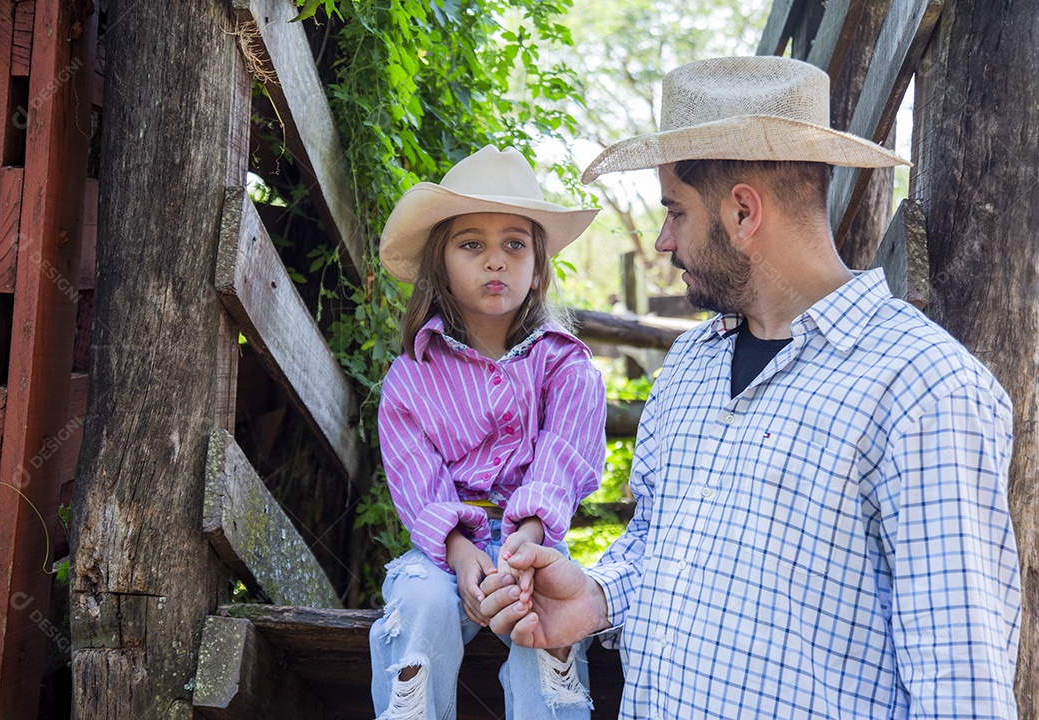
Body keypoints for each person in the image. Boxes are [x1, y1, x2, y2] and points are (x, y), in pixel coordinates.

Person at [482, 56, 1021, 719]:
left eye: (675, 212)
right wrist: (595, 594)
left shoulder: (923, 389)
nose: (661, 240)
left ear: (742, 211)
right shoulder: (689, 366)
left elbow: (960, 691)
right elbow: (658, 540)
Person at [370, 144, 606, 719]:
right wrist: (457, 550)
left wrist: (527, 535)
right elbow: (415, 479)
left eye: (514, 244)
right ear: (441, 263)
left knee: (545, 621)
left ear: (537, 265)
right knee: (420, 603)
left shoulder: (566, 366)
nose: (495, 260)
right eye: (471, 243)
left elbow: (564, 453)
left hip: (534, 543)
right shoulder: (411, 378)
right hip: (443, 550)